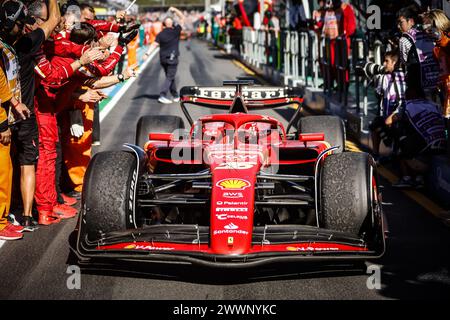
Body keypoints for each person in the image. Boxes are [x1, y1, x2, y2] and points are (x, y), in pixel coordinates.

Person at [368, 51, 406, 162]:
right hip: (386, 115)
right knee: (374, 125)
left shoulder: (402, 77)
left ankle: (395, 152)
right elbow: (378, 92)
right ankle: (376, 153)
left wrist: (395, 115)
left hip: (399, 116)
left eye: (387, 61)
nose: (384, 64)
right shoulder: (384, 77)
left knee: (393, 127)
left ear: (394, 62)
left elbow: (404, 102)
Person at [143, 7, 185, 104]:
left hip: (163, 59)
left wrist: (147, 54)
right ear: (172, 24)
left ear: (163, 25)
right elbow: (182, 18)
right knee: (170, 76)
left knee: (170, 76)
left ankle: (175, 95)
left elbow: (154, 44)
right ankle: (162, 95)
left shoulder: (160, 34)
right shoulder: (176, 30)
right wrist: (175, 10)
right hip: (172, 58)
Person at [397, 6, 440, 100]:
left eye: (401, 22)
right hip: (438, 79)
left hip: (419, 85)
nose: (399, 26)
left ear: (411, 21)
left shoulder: (404, 39)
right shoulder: (430, 32)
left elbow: (405, 61)